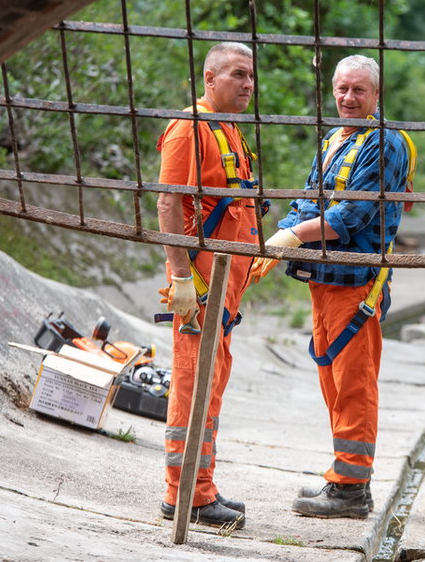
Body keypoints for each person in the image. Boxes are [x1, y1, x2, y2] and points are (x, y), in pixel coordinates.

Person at [249, 54, 414, 519]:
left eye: (359, 90)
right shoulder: (336, 138)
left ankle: (351, 491)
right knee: (334, 383)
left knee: (354, 386)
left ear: (377, 95)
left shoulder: (384, 144)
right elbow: (309, 198)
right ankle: (344, 477)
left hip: (356, 285)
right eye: (342, 89)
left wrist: (292, 237)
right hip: (324, 279)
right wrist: (278, 238)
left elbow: (351, 216)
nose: (348, 98)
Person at [155, 42, 258, 529]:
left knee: (210, 388)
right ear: (209, 78)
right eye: (237, 75)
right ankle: (185, 495)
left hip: (224, 290)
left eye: (251, 76)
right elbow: (168, 204)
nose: (247, 84)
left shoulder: (227, 128)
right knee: (193, 387)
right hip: (198, 287)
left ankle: (202, 487)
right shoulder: (189, 128)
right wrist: (179, 277)